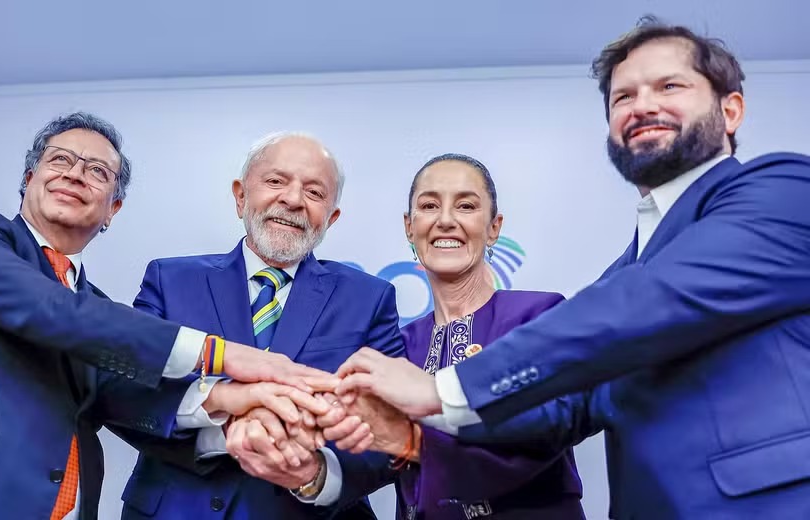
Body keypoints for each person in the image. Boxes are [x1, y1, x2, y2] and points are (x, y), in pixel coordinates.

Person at [336, 16, 810, 518]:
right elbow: (568, 404)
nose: (643, 104)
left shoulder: (782, 189)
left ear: (730, 109)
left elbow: (649, 303)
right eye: (622, 97)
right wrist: (413, 433)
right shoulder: (627, 268)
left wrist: (439, 389)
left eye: (669, 85)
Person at [0, 113, 330, 520]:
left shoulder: (94, 309)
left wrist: (235, 400)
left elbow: (123, 396)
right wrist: (224, 355)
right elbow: (51, 310)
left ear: (113, 209)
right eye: (60, 160)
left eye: (98, 171)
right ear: (29, 178)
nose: (77, 175)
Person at [116, 132, 405, 519]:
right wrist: (222, 420)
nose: (293, 199)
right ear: (240, 196)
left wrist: (316, 474)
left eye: (315, 193)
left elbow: (392, 427)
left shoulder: (370, 299)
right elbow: (126, 394)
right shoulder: (170, 280)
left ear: (331, 217)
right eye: (276, 181)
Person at [319, 153, 585, 519]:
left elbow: (540, 436)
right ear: (409, 227)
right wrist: (313, 473)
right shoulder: (398, 345)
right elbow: (371, 454)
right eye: (429, 205)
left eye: (466, 205)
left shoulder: (539, 316)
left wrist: (414, 443)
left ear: (494, 227)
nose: (445, 221)